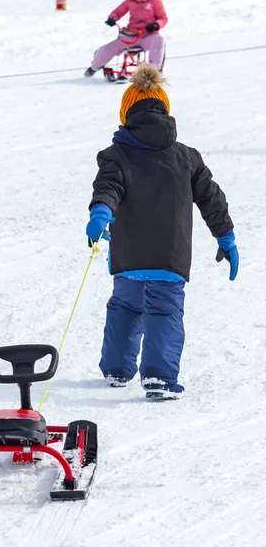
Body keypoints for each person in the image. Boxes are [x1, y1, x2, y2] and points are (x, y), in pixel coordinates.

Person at [86, 63, 238, 400]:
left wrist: (101, 212)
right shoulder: (187, 156)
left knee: (125, 307)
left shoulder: (115, 155)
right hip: (171, 255)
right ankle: (158, 378)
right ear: (165, 112)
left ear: (126, 113)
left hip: (129, 254)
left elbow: (108, 187)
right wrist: (225, 236)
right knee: (164, 311)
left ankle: (116, 368)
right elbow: (211, 197)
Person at [85, 0, 167, 78]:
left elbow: (163, 18)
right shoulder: (130, 1)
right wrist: (112, 18)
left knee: (158, 40)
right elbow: (118, 11)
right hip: (131, 35)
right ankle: (94, 67)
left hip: (148, 35)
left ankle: (154, 72)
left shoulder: (155, 1)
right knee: (108, 49)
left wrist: (156, 25)